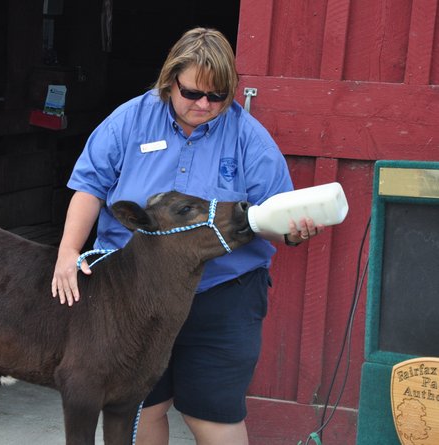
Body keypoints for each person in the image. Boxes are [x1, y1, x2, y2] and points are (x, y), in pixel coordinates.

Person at [51, 27, 324, 444]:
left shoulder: (249, 137)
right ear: (169, 80)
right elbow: (89, 186)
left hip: (221, 290)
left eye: (217, 97)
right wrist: (69, 251)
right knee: (140, 405)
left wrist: (294, 231)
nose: (204, 105)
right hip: (131, 290)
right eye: (193, 93)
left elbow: (275, 214)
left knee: (212, 412)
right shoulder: (129, 120)